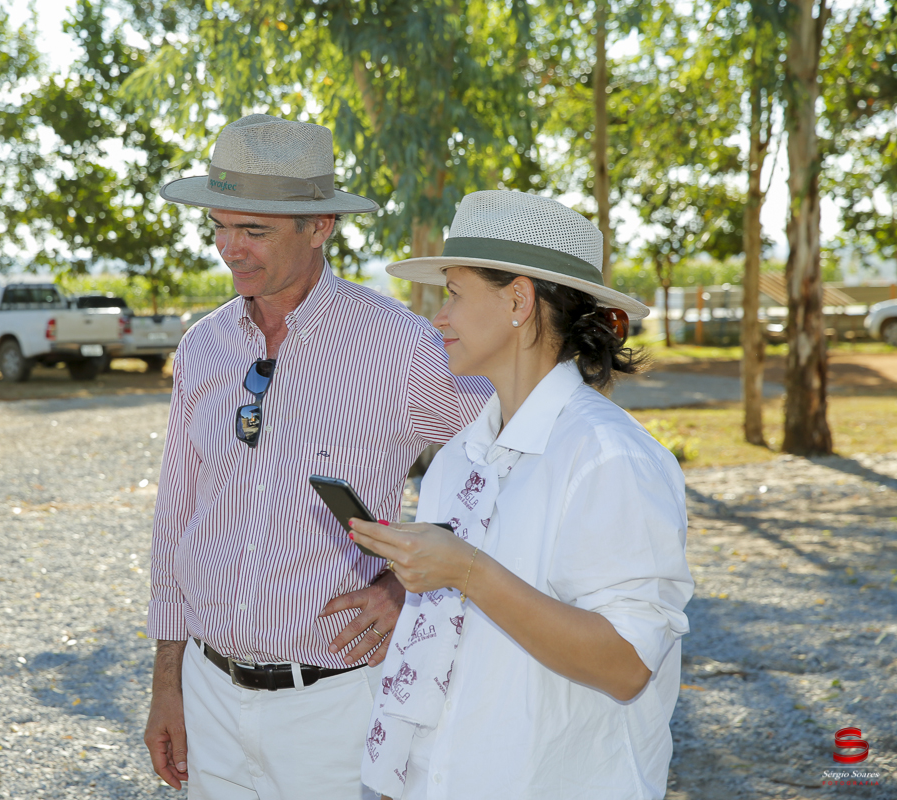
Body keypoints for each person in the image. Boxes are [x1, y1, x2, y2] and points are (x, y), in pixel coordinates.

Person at [143, 114, 492, 800]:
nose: (229, 250)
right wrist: (168, 683)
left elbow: (508, 464)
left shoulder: (402, 346)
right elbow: (175, 517)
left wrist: (416, 578)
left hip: (335, 707)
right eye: (218, 225)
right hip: (207, 696)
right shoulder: (204, 348)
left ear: (320, 227)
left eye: (254, 231)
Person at [350, 190, 694, 800]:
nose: (440, 318)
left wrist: (468, 571)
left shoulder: (609, 457)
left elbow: (626, 666)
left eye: (453, 294)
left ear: (517, 299)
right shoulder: (458, 458)